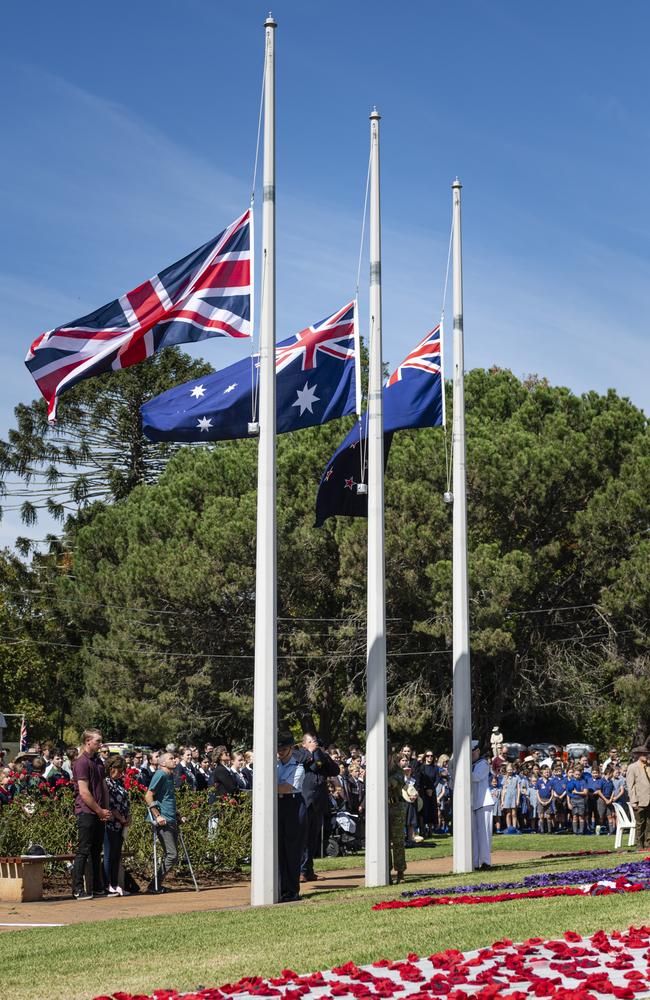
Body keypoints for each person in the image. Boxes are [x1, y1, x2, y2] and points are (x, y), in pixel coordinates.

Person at [71, 729, 111, 900]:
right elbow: (84, 792)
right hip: (86, 811)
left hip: (99, 812)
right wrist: (99, 810)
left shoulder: (98, 761)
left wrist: (106, 810)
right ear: (88, 741)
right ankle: (77, 889)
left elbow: (103, 786)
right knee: (83, 850)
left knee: (96, 851)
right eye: (97, 741)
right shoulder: (81, 762)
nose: (100, 744)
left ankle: (97, 888)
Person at [298, 732, 339, 883]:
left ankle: (309, 871)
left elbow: (335, 771)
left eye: (315, 740)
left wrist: (323, 755)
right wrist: (310, 751)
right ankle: (301, 871)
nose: (314, 743)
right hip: (305, 800)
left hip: (318, 801)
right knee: (303, 838)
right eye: (311, 741)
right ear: (304, 744)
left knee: (312, 839)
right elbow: (303, 763)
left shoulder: (320, 755)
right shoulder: (299, 753)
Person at [276, 732, 306, 902]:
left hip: (293, 805)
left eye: (284, 749)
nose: (280, 752)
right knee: (279, 849)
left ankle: (292, 890)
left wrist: (266, 786)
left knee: (292, 850)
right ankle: (281, 888)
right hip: (279, 805)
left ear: (291, 749)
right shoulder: (276, 765)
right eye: (278, 749)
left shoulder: (298, 767)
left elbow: (286, 788)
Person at [145, 751, 179, 893]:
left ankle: (156, 885)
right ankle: (154, 885)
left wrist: (178, 814)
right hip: (163, 820)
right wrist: (157, 815)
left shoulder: (170, 776)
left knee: (172, 855)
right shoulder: (160, 774)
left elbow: (168, 797)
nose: (175, 761)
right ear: (163, 763)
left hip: (172, 818)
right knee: (172, 855)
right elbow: (148, 795)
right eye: (171, 759)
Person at [104, 755, 131, 896]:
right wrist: (120, 818)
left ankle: (115, 884)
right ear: (111, 768)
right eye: (119, 770)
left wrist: (128, 817)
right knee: (109, 855)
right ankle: (108, 884)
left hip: (121, 825)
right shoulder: (106, 783)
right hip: (111, 824)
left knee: (116, 855)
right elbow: (110, 805)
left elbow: (126, 801)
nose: (121, 773)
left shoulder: (120, 783)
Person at [471, 740, 493, 869]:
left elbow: (476, 777)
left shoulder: (483, 763)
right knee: (474, 835)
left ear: (478, 751)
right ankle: (475, 863)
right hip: (475, 804)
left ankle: (485, 862)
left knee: (484, 834)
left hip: (484, 803)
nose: (471, 754)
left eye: (473, 751)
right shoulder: (470, 765)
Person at [387, 747, 406, 883]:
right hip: (382, 809)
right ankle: (386, 872)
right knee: (384, 842)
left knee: (398, 841)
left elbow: (393, 783)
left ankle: (400, 872)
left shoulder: (397, 770)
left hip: (396, 807)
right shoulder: (376, 767)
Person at [626, 745, 650, 849]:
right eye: (644, 754)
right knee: (640, 823)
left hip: (649, 798)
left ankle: (647, 843)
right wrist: (633, 800)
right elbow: (630, 786)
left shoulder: (649, 766)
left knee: (649, 822)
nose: (646, 756)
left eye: (646, 754)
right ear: (638, 755)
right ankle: (639, 844)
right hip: (639, 799)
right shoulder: (632, 767)